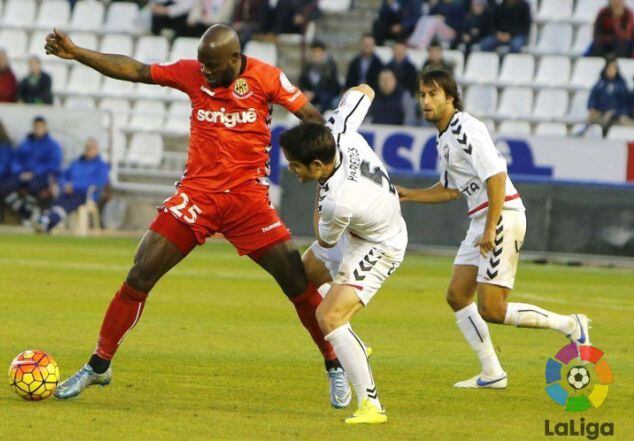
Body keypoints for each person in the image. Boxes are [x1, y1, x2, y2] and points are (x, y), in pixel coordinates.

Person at [45, 24, 353, 408]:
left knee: (296, 282)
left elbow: (311, 117)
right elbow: (138, 70)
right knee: (140, 272)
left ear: (235, 60)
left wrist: (332, 171)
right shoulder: (191, 72)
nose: (203, 71)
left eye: (211, 66)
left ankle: (335, 365)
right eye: (202, 64)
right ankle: (98, 365)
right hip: (198, 197)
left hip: (248, 202)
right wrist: (78, 54)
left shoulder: (267, 78)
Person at [397, 69, 591, 389]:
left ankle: (572, 325)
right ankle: (492, 373)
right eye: (422, 94)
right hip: (482, 219)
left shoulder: (465, 128)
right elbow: (449, 189)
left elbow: (497, 175)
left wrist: (491, 228)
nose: (426, 101)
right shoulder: (444, 137)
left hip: (502, 215)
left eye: (432, 94)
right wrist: (410, 195)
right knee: (458, 296)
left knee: (493, 308)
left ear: (450, 97)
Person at [280, 84, 408, 424]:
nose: (292, 170)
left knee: (330, 317)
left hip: (379, 245)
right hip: (359, 227)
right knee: (300, 277)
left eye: (296, 166)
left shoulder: (337, 202)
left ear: (319, 165)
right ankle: (353, 346)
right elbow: (364, 89)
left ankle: (371, 405)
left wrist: (321, 199)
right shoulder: (338, 131)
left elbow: (324, 239)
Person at [34, 138, 109, 232]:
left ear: (97, 149)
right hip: (68, 191)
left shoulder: (101, 166)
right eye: (88, 147)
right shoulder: (76, 163)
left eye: (92, 148)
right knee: (58, 199)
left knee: (70, 201)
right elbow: (63, 176)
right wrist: (65, 184)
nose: (90, 150)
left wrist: (74, 186)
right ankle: (46, 221)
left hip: (86, 194)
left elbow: (99, 182)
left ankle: (47, 221)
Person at [0, 116, 62, 221]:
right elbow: (16, 159)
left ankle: (29, 212)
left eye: (41, 126)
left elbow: (54, 164)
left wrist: (35, 172)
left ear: (45, 127)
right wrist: (20, 171)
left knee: (34, 187)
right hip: (23, 174)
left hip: (41, 176)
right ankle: (24, 211)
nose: (38, 129)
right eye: (36, 126)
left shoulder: (52, 145)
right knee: (4, 188)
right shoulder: (26, 143)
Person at [587, 57, 633, 136]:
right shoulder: (600, 84)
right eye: (609, 69)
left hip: (617, 115)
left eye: (613, 69)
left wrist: (615, 112)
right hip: (601, 113)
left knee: (626, 124)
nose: (611, 71)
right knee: (593, 121)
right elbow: (593, 97)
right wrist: (592, 107)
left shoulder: (622, 85)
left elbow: (626, 102)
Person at [298, 40, 341, 113]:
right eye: (314, 52)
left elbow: (331, 86)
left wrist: (314, 94)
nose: (316, 54)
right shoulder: (307, 66)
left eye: (318, 52)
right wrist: (305, 92)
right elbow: (301, 82)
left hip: (325, 96)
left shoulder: (330, 66)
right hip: (310, 95)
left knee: (325, 98)